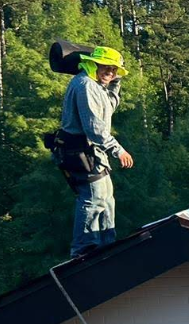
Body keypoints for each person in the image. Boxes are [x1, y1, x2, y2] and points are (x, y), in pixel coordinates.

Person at [54, 46, 134, 258]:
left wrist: (115, 84)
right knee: (93, 198)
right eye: (106, 67)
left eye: (114, 69)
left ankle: (107, 247)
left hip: (93, 152)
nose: (110, 72)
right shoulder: (85, 85)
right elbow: (94, 128)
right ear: (93, 64)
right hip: (80, 151)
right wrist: (118, 151)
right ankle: (83, 252)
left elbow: (108, 106)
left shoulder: (96, 86)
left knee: (107, 198)